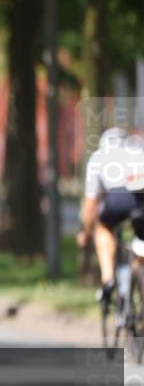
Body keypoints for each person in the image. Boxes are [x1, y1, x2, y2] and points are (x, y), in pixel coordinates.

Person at [76, 127, 144, 303]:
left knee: (103, 226)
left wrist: (85, 232)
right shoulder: (139, 148)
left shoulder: (98, 157)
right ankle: (139, 267)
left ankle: (108, 279)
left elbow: (91, 204)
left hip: (119, 197)